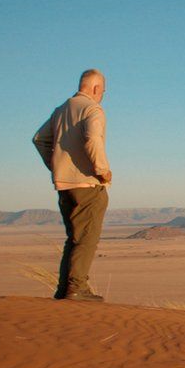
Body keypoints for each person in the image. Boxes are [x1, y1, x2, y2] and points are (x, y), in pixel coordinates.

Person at [33, 69, 112, 302]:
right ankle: (76, 288)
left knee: (73, 237)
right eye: (103, 91)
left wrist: (56, 164)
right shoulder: (92, 109)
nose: (103, 95)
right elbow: (93, 138)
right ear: (96, 88)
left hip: (64, 185)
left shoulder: (61, 110)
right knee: (86, 237)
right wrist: (102, 170)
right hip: (87, 184)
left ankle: (63, 289)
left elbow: (39, 139)